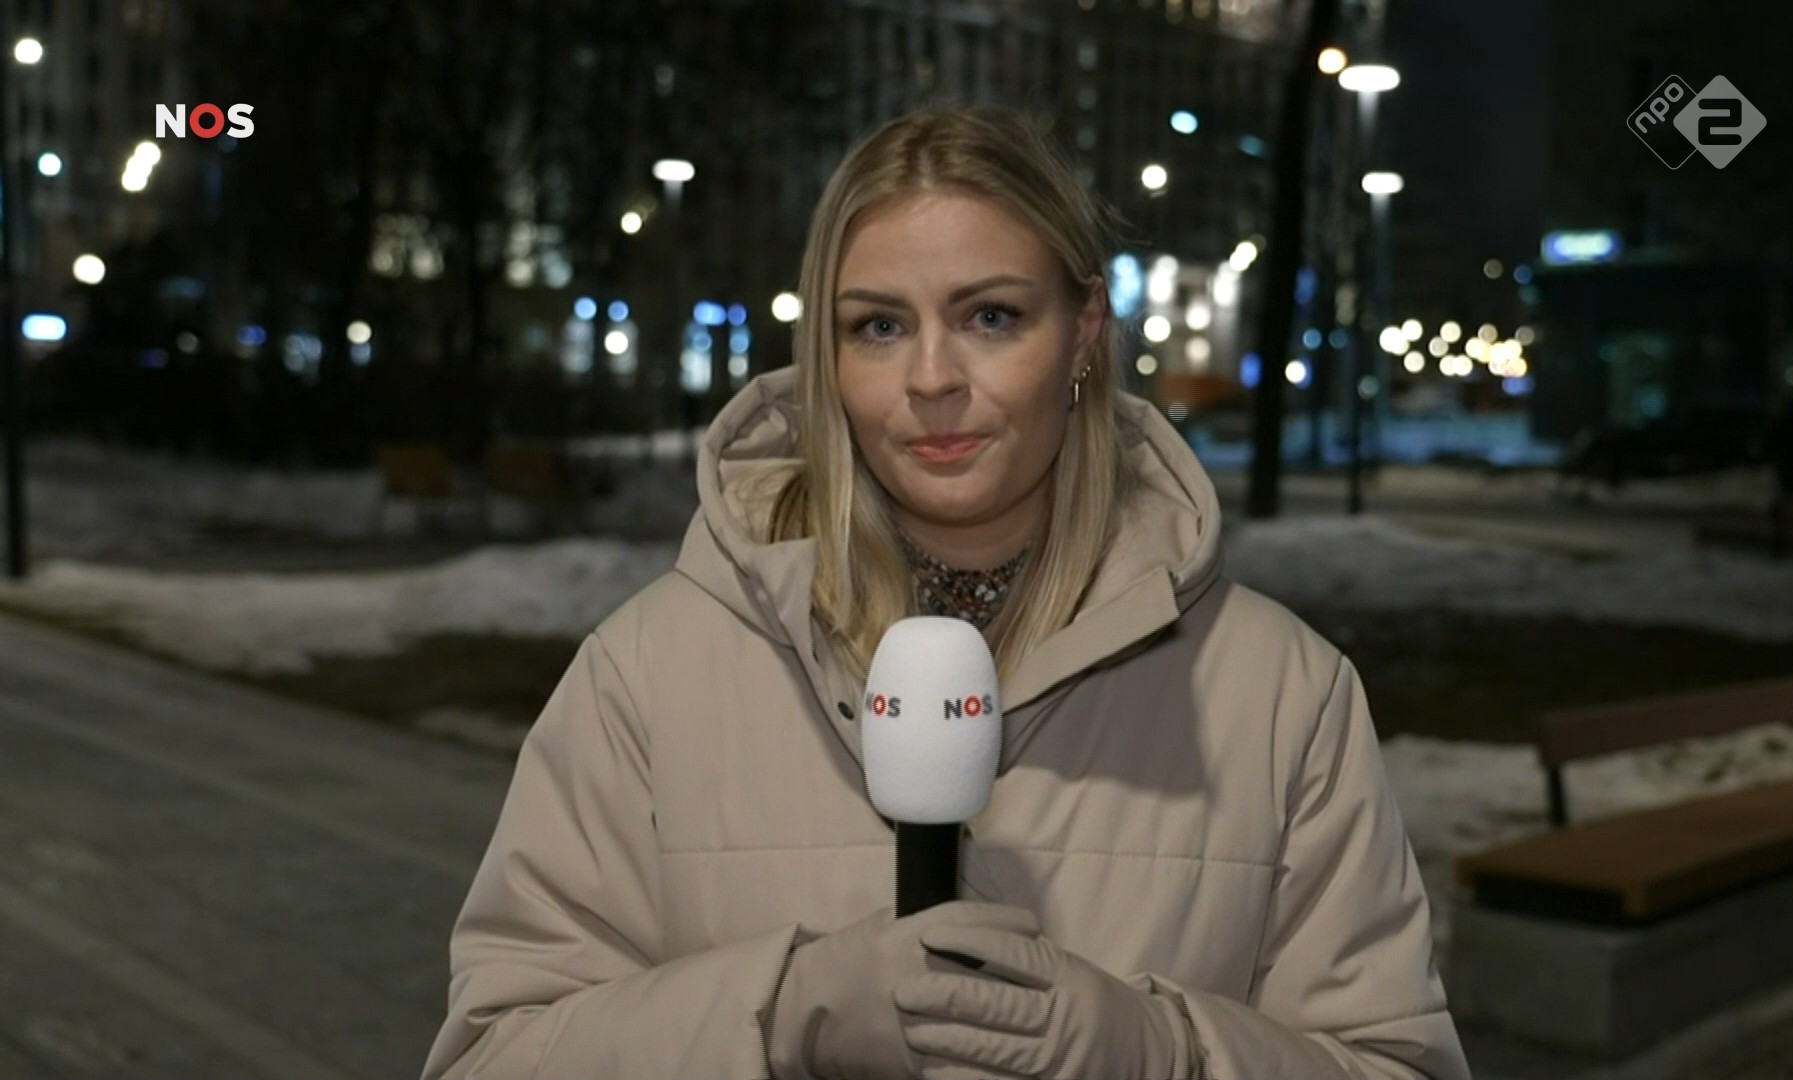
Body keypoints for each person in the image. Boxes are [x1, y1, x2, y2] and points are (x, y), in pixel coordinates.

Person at [423, 105, 1470, 1080]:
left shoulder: (1282, 695)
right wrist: (781, 1015)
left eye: (991, 316)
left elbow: (1393, 1061)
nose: (931, 379)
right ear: (827, 357)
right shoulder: (649, 674)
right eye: (878, 327)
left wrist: (1162, 1053)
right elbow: (493, 1057)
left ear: (1083, 335)